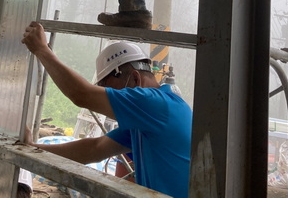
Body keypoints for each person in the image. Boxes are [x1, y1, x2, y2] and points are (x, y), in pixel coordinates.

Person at [21, 22, 192, 198]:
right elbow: (93, 149)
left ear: (135, 79)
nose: (107, 97)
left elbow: (82, 95)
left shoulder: (154, 104)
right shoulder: (145, 121)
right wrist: (32, 148)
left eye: (110, 89)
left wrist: (41, 49)